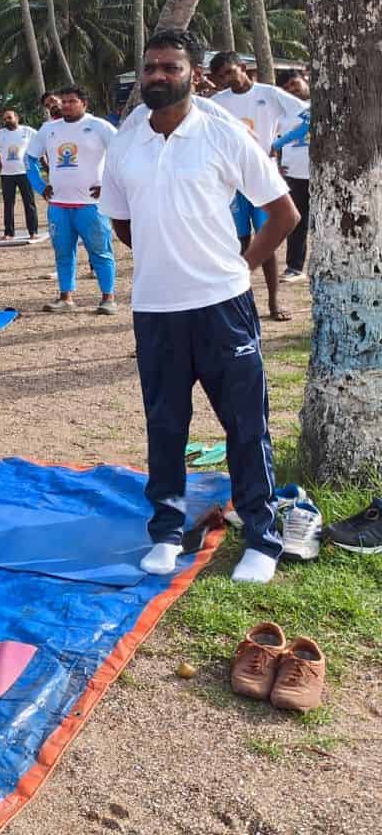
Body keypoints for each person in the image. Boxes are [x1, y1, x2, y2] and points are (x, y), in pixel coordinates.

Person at [101, 34, 298, 585]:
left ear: (194, 74)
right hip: (156, 309)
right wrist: (166, 255)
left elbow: (282, 213)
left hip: (222, 306)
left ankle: (262, 536)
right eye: (150, 68)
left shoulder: (223, 132)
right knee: (165, 425)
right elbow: (120, 218)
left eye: (171, 67)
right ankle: (166, 531)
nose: (158, 76)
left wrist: (241, 265)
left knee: (245, 424)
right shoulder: (125, 141)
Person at [208, 51, 307, 321]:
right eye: (221, 76)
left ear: (242, 67)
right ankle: (242, 303)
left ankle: (274, 303)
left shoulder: (270, 94)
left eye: (230, 71)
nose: (228, 79)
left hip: (263, 178)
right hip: (232, 182)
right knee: (240, 242)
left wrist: (278, 144)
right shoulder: (217, 102)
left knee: (268, 240)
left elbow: (306, 113)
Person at [26, 88, 119, 315]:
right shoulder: (48, 129)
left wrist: (108, 185)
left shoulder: (99, 126)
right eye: (63, 102)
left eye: (71, 101)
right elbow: (29, 159)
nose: (66, 105)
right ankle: (65, 297)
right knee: (63, 252)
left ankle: (108, 298)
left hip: (91, 206)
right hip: (58, 206)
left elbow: (123, 155)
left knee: (100, 252)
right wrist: (40, 185)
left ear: (84, 103)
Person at [273, 75, 311, 281]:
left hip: (323, 174)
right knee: (297, 222)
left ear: (305, 80)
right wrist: (278, 165)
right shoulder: (283, 114)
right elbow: (278, 139)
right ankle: (294, 267)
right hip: (295, 175)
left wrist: (276, 146)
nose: (292, 89)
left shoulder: (322, 103)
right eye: (286, 88)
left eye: (294, 83)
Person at [0, 109, 39, 241]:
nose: (7, 121)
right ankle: (9, 233)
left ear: (16, 118)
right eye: (4, 119)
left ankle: (33, 231)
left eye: (9, 118)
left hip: (25, 173)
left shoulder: (27, 131)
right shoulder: (0, 134)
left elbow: (42, 142)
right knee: (8, 204)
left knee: (29, 203)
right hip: (7, 175)